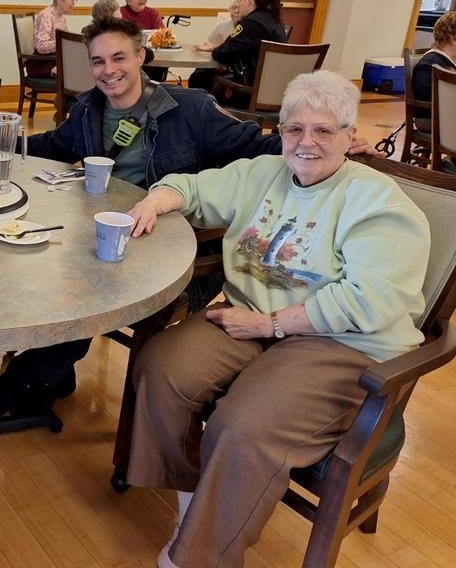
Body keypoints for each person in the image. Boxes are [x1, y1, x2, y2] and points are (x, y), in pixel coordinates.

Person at [124, 70, 428, 568]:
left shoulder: (378, 204)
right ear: (280, 132)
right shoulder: (263, 173)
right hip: (253, 320)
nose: (305, 142)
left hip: (343, 344)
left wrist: (273, 326)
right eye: (293, 129)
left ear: (351, 137)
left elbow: (368, 301)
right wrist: (160, 197)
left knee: (243, 424)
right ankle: (193, 506)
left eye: (324, 130)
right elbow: (195, 188)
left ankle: (199, 556)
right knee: (161, 367)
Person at [0, 17, 283, 419]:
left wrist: (322, 140)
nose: (109, 70)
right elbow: (52, 145)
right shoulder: (89, 110)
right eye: (99, 61)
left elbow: (252, 145)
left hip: (171, 247)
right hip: (104, 233)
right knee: (39, 261)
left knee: (90, 284)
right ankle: (50, 368)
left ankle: (36, 374)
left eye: (119, 57)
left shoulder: (189, 109)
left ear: (140, 56)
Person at [190, 0, 286, 96]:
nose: (238, 5)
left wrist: (214, 49)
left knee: (200, 75)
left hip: (248, 92)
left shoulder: (251, 23)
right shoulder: (275, 22)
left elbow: (222, 54)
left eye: (240, 0)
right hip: (272, 92)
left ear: (249, 0)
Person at [31, 0, 79, 77]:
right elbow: (41, 46)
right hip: (42, 64)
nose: (74, 2)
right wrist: (62, 42)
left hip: (55, 59)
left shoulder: (62, 16)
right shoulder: (47, 15)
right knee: (77, 72)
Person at [411, 10, 456, 103]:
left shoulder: (448, 61)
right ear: (452, 38)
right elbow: (429, 100)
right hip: (438, 115)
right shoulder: (429, 65)